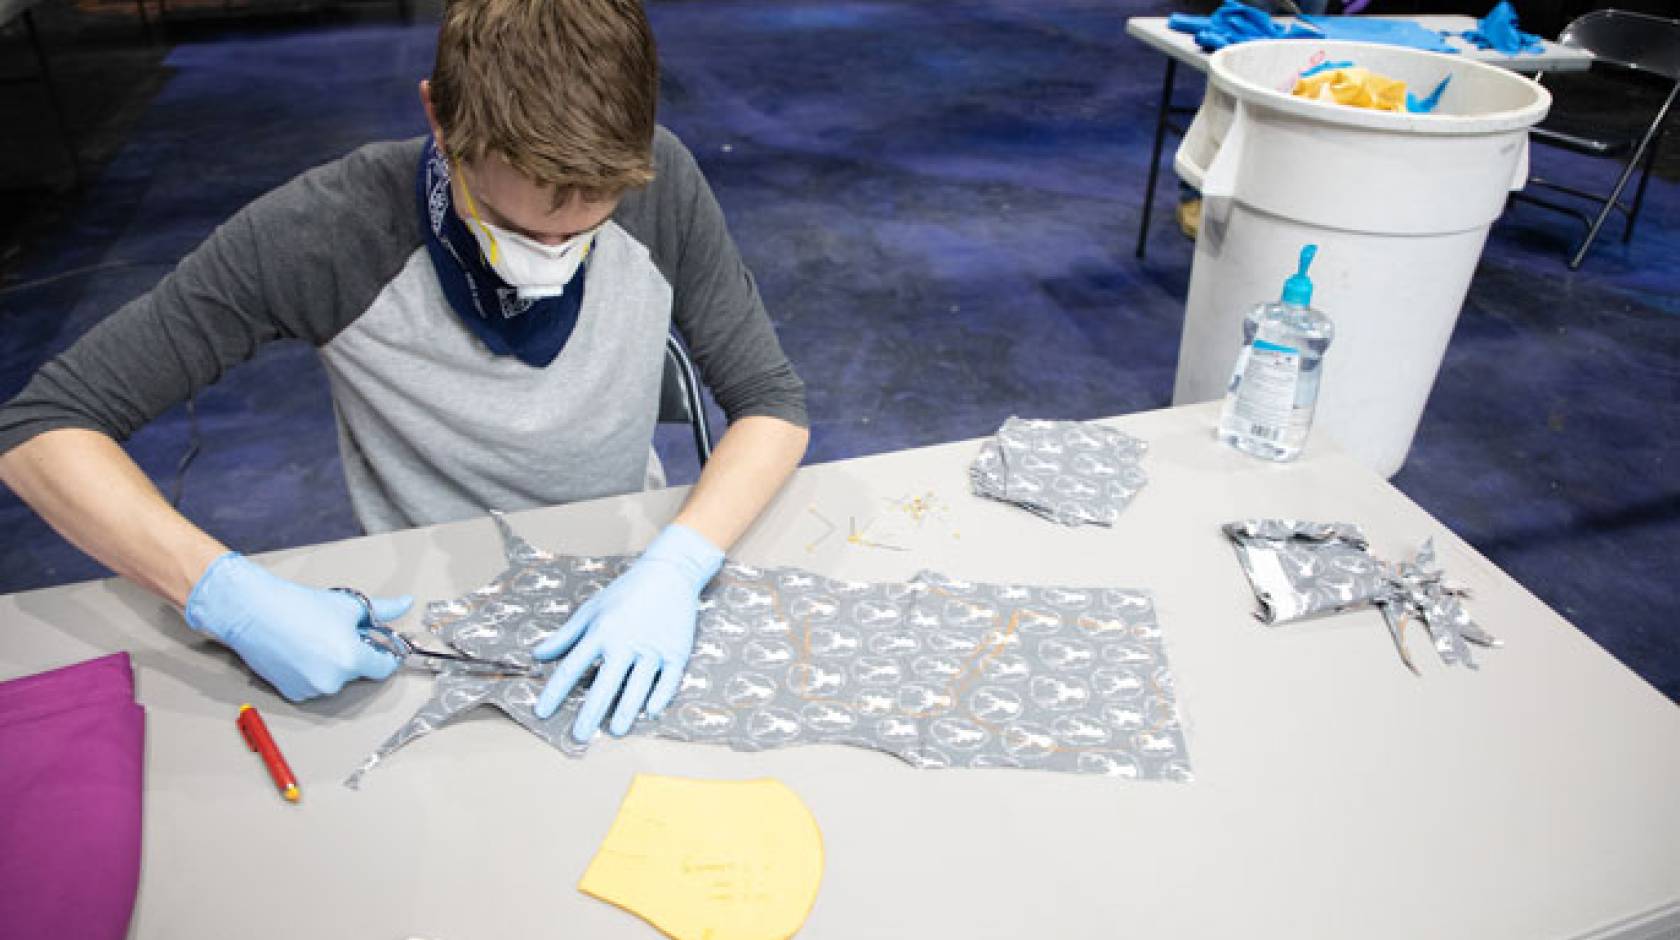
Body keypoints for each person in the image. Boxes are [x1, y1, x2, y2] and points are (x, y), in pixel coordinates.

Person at [0, 0, 809, 745]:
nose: (552, 261)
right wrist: (220, 591)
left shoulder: (659, 181)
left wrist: (677, 567)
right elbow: (41, 430)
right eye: (515, 225)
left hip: (629, 569)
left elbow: (770, 403)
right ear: (438, 117)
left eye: (586, 229)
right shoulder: (326, 233)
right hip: (427, 616)